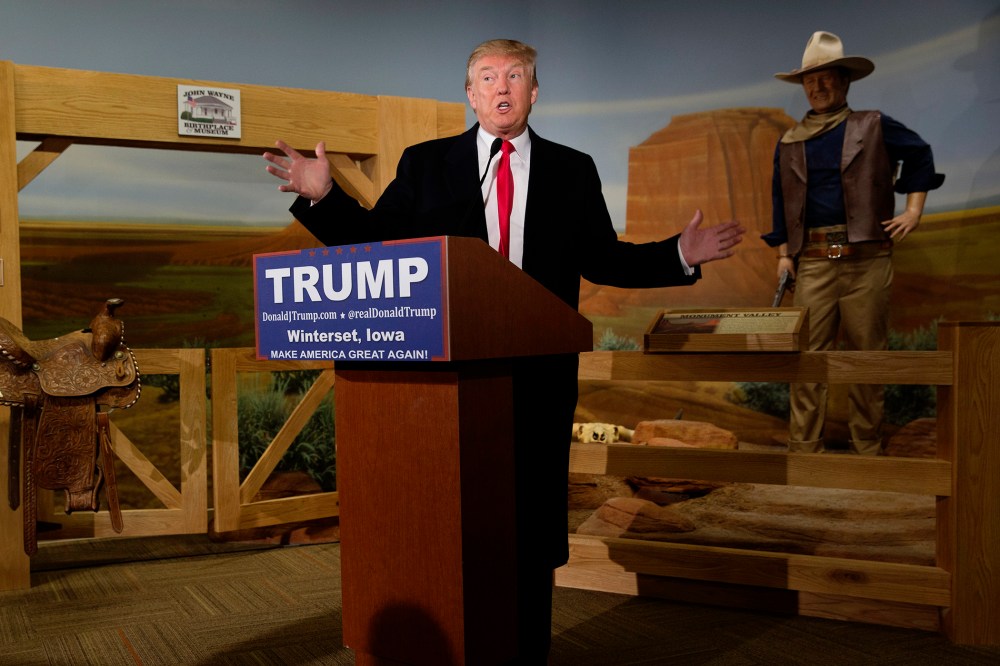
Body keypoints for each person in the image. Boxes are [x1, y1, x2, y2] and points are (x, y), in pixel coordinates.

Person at [264, 38, 745, 662]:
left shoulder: (573, 169)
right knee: (451, 527)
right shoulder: (426, 164)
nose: (502, 87)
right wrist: (324, 198)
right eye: (488, 76)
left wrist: (678, 255)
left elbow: (604, 258)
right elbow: (378, 244)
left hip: (538, 379)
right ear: (469, 94)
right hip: (446, 384)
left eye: (515, 76)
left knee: (527, 534)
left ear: (534, 92)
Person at [762, 31, 944, 456]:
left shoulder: (873, 125)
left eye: (827, 78)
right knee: (807, 358)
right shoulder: (789, 141)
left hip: (868, 259)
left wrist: (914, 211)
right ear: (802, 87)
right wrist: (784, 256)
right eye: (811, 80)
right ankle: (804, 451)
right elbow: (779, 199)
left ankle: (868, 452)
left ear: (844, 82)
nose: (818, 87)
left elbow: (920, 155)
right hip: (814, 262)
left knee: (867, 358)